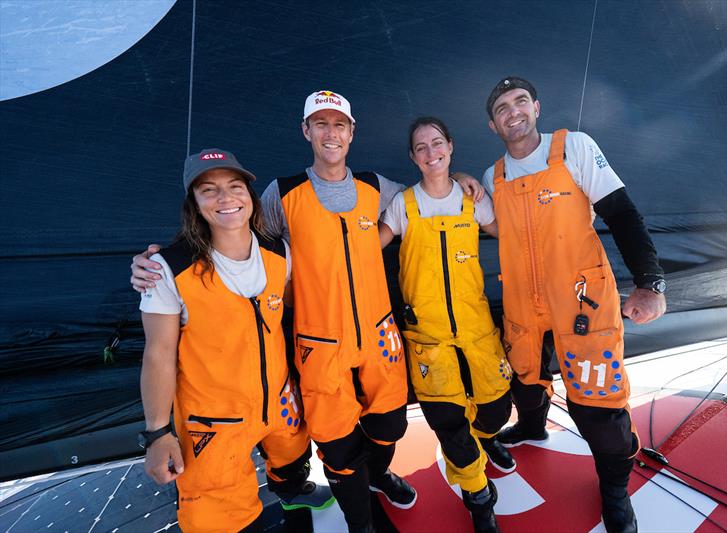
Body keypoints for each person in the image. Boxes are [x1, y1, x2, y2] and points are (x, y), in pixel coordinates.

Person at [131, 91, 485, 532]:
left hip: (379, 335)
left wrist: (462, 174)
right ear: (306, 131)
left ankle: (377, 476)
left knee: (390, 424)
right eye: (320, 123)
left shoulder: (378, 187)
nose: (330, 132)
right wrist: (159, 262)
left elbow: (429, 188)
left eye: (339, 124)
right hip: (320, 342)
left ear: (352, 132)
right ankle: (362, 522)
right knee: (338, 446)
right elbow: (230, 232)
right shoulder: (283, 193)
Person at [482, 77, 667, 533]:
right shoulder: (493, 176)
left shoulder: (574, 148)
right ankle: (532, 428)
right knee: (526, 381)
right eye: (502, 107)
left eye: (520, 101)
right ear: (493, 124)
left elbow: (622, 213)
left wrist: (650, 282)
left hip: (583, 302)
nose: (513, 112)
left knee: (598, 407)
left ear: (537, 107)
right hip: (525, 304)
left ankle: (614, 490)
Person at [138, 148, 333, 532]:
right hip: (214, 418)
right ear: (194, 203)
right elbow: (157, 354)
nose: (226, 198)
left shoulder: (279, 254)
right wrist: (157, 433)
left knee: (292, 455)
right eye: (209, 190)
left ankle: (292, 490)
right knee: (221, 514)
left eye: (234, 186)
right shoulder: (167, 268)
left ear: (249, 194)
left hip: (278, 400)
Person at [379, 117, 512, 533]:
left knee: (496, 409)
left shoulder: (474, 199)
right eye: (421, 147)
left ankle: (486, 437)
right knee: (448, 424)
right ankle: (479, 497)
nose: (431, 152)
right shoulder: (404, 204)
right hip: (429, 337)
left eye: (437, 143)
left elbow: (510, 232)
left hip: (477, 328)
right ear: (413, 157)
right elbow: (362, 248)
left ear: (450, 147)